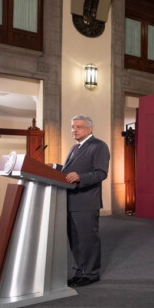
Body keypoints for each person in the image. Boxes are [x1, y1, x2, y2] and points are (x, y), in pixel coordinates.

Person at [59, 115, 110, 287]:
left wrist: (80, 177)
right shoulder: (75, 147)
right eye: (72, 126)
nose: (74, 130)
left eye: (79, 127)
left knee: (88, 239)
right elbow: (68, 170)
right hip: (70, 202)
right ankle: (79, 271)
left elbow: (101, 173)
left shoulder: (99, 146)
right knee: (75, 240)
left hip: (87, 202)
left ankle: (91, 273)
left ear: (90, 129)